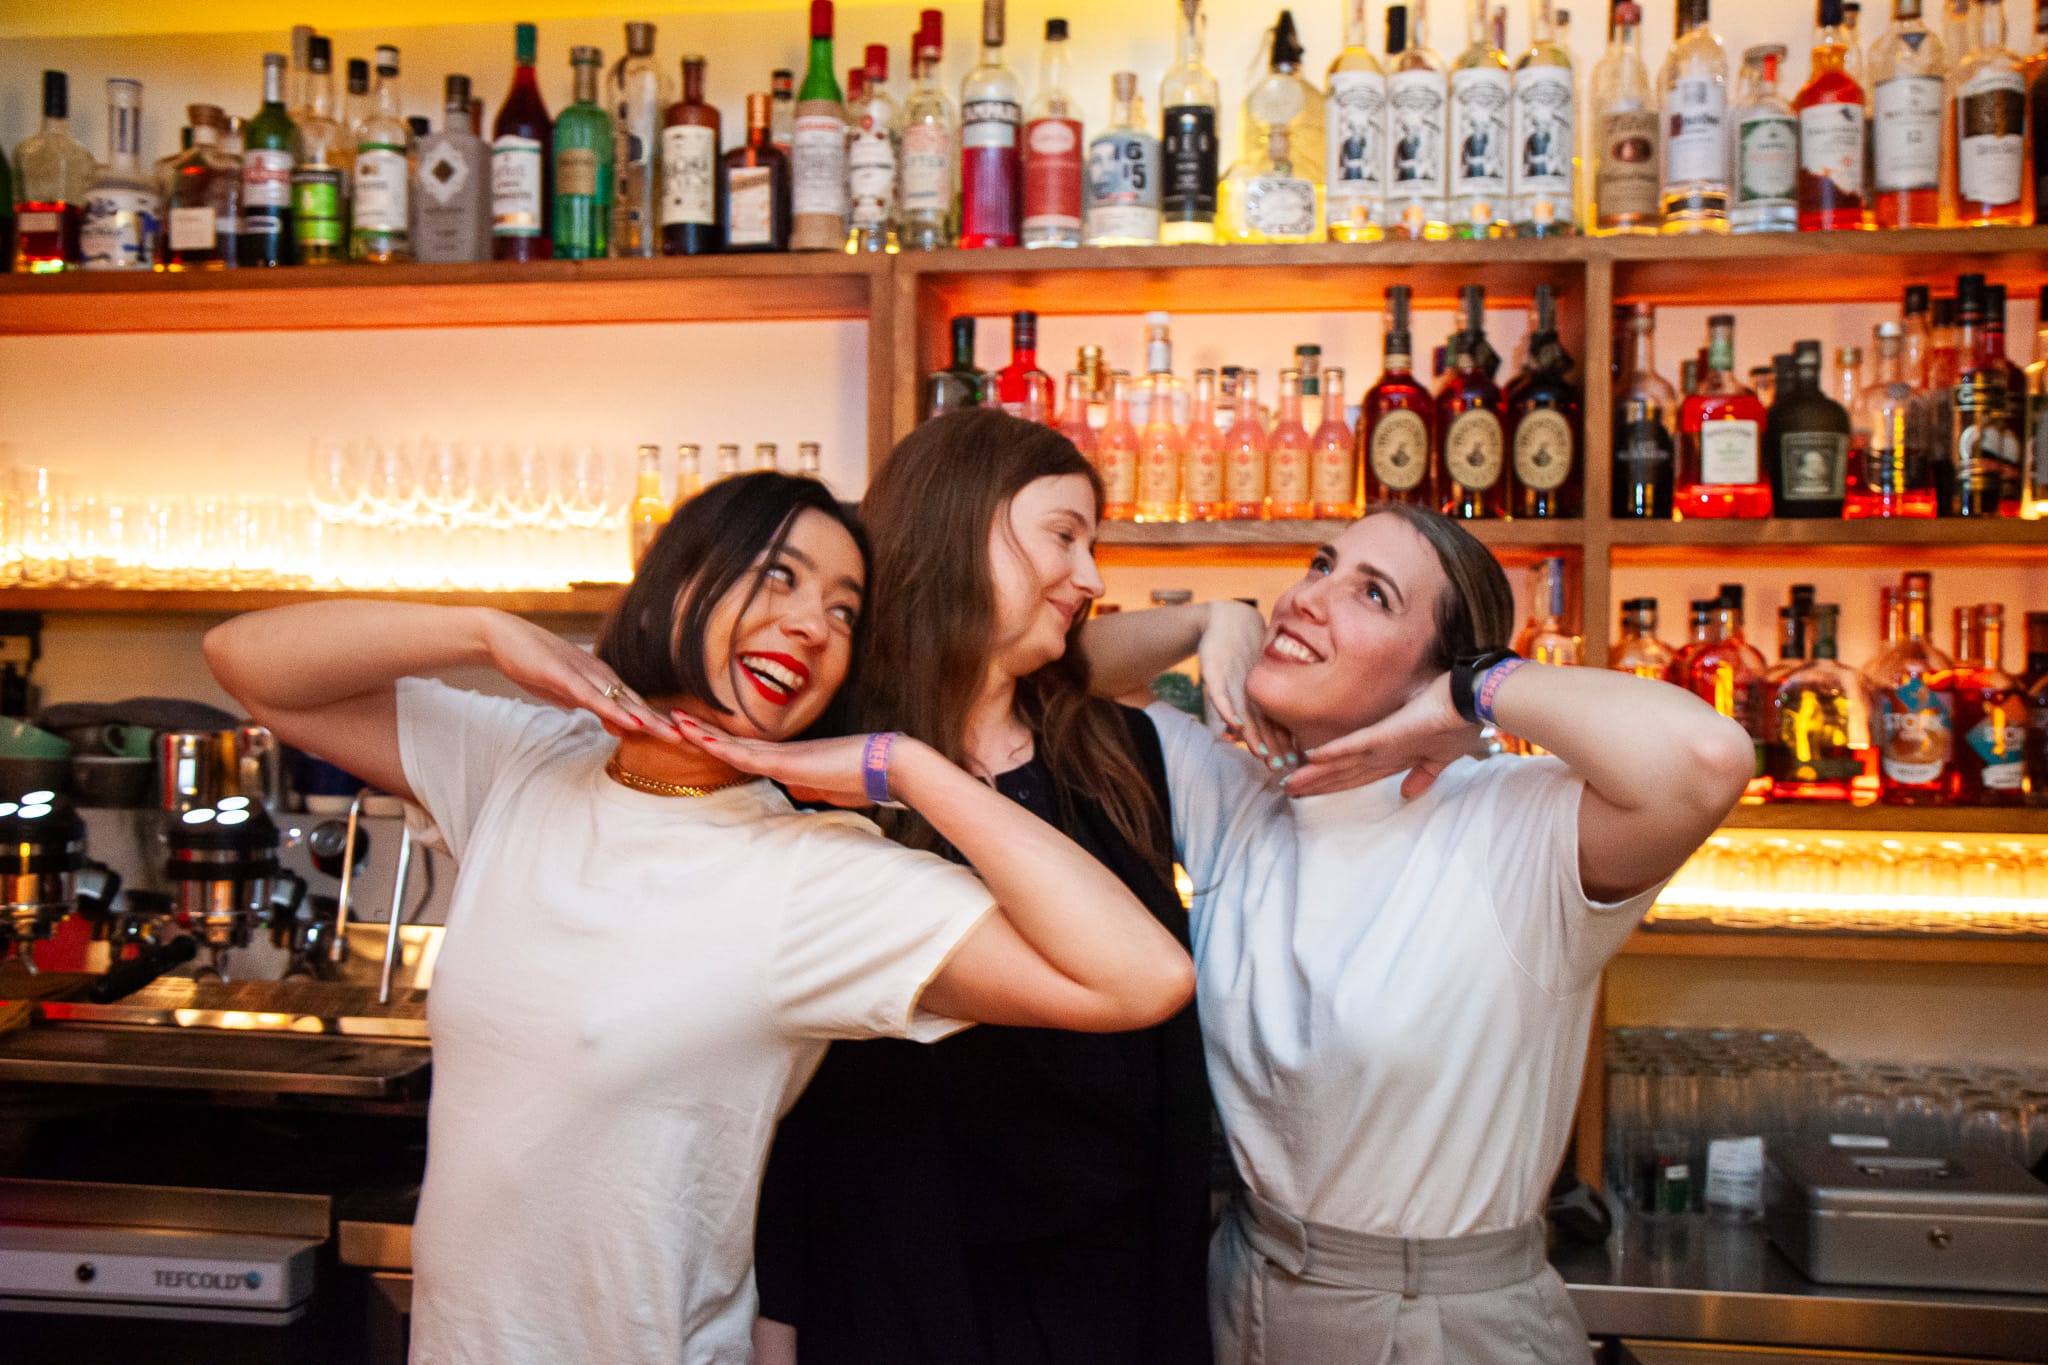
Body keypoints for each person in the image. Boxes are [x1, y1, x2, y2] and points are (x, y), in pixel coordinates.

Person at [202, 472, 1195, 1365]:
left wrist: (905, 767)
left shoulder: (813, 876)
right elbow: (246, 662)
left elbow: (1138, 977)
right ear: (678, 584)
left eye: (843, 612)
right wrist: (484, 630)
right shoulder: (522, 763)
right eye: (778, 578)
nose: (812, 626)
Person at [1089, 501, 1753, 1363]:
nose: (1308, 597)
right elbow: (1053, 677)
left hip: (1442, 1322)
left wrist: (1477, 688)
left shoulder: (1511, 823)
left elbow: (1707, 759)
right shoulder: (1242, 795)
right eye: (1322, 565)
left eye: (1373, 594)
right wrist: (1210, 619)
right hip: (1240, 1291)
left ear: (1428, 677)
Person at [753, 411, 1248, 1365]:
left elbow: (1154, 1068)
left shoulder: (1119, 751)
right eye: (1064, 535)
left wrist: (1210, 618)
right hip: (894, 1303)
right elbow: (794, 1106)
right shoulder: (822, 762)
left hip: (1109, 1301)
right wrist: (779, 1323)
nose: (1090, 576)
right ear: (959, 522)